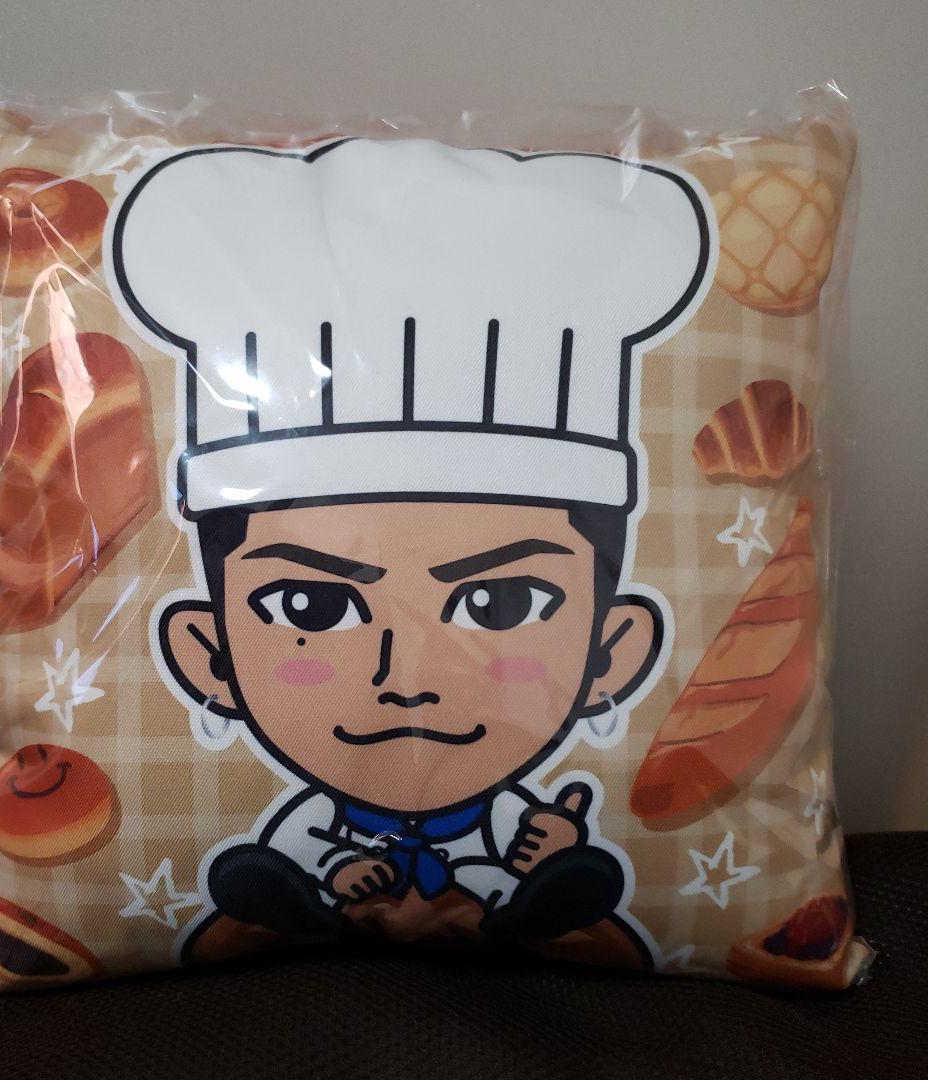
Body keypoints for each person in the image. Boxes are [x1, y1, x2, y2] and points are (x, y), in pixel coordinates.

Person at [109, 136, 715, 968]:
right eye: (312, 605)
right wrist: (338, 877)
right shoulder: (312, 826)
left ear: (613, 651)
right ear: (208, 654)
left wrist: (550, 855)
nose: (407, 678)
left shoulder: (514, 818)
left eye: (500, 603)